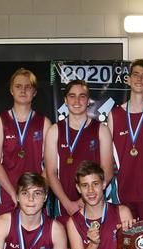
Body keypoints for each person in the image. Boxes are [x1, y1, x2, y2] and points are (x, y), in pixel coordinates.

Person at [0, 68, 50, 220]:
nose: (23, 90)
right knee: (3, 240)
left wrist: (36, 193)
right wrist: (12, 192)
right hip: (6, 193)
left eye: (28, 87)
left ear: (34, 92)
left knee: (38, 240)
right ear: (11, 90)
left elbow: (50, 165)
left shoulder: (44, 123)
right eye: (18, 86)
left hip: (34, 197)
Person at [45, 80, 113, 219]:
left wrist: (84, 200)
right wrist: (68, 204)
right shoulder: (54, 131)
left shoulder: (101, 129)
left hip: (94, 202)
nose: (77, 100)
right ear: (65, 100)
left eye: (82, 96)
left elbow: (108, 171)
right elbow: (50, 172)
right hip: (64, 204)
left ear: (88, 101)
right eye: (72, 96)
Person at [107, 59, 143, 220]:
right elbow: (108, 158)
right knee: (125, 243)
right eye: (135, 74)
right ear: (128, 79)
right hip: (122, 193)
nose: (139, 79)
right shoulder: (114, 115)